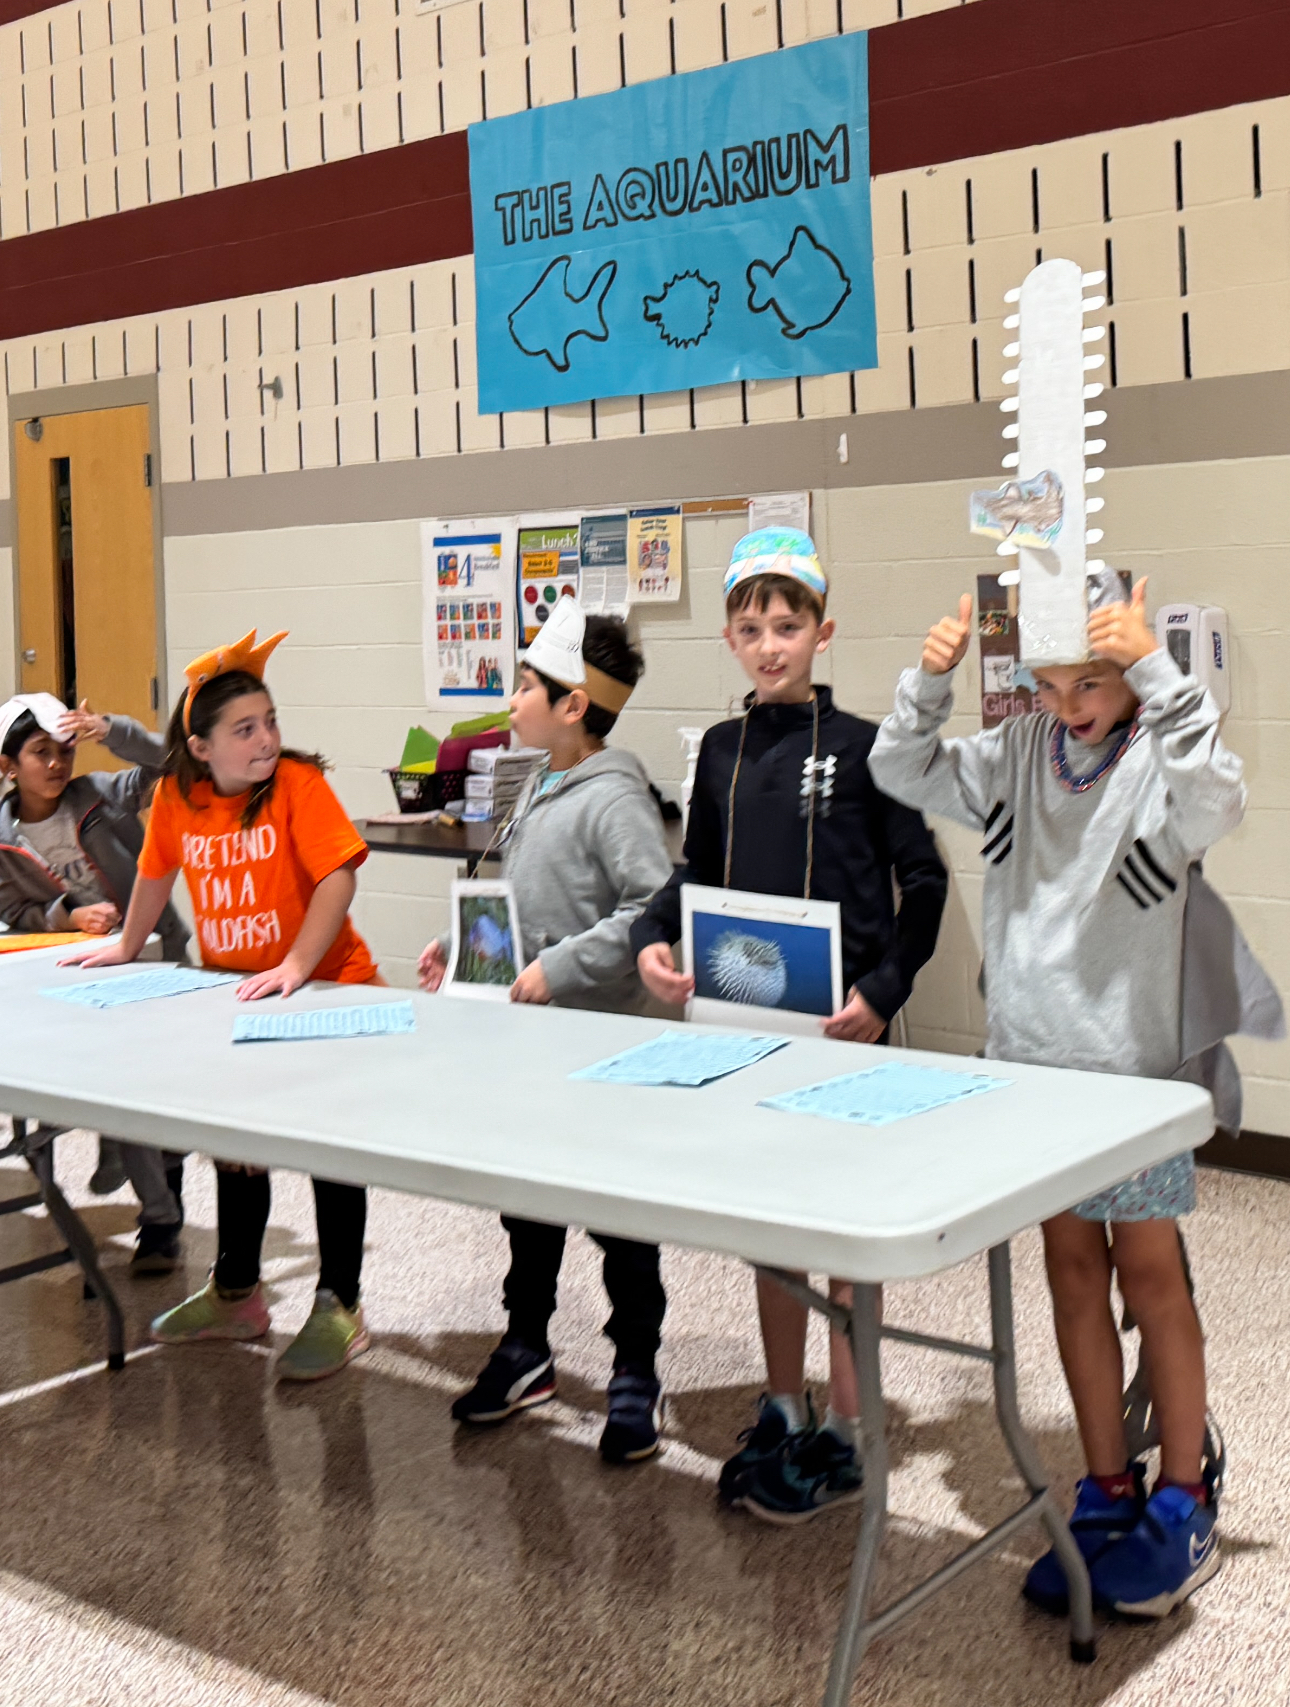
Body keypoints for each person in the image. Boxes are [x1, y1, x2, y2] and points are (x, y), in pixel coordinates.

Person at [869, 573, 1280, 1617]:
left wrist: (1154, 667)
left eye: (1092, 680)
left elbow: (1222, 796)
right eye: (1051, 682)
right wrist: (929, 677)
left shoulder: (1159, 761)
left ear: (1127, 672)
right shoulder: (1015, 754)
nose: (1070, 703)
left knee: (1151, 1280)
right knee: (1068, 1274)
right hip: (1030, 1079)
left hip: (1128, 1090)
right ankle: (1103, 1486)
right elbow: (898, 767)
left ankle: (1183, 1499)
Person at [631, 528, 948, 1520]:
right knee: (774, 1229)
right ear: (729, 638)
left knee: (847, 1235)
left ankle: (849, 1427)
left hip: (847, 1027)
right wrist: (655, 937)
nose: (771, 645)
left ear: (823, 631)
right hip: (751, 1027)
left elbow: (926, 879)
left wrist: (886, 990)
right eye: (752, 628)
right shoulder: (721, 751)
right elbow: (697, 873)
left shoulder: (867, 748)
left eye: (789, 625)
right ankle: (780, 1399)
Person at [65, 631, 379, 1382]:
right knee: (238, 1144)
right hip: (241, 994)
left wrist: (297, 963)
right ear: (201, 748)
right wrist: (126, 944)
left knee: (328, 1148)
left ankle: (341, 1302)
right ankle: (238, 1289)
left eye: (270, 720)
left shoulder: (299, 784)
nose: (268, 738)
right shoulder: (177, 793)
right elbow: (153, 872)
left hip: (327, 987)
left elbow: (337, 879)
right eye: (246, 728)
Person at [419, 599, 675, 1462]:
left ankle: (635, 1369)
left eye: (528, 683)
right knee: (527, 1207)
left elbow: (649, 909)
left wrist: (557, 968)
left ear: (573, 705)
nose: (513, 695)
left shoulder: (616, 798)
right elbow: (516, 904)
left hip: (600, 1050)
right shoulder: (537, 783)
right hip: (529, 1050)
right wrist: (464, 948)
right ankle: (527, 1346)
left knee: (619, 1220)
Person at [0, 692, 190, 1272]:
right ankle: (125, 1158)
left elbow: (173, 767)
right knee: (117, 1089)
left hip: (151, 959)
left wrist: (111, 729)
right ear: (8, 766)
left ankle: (161, 1217)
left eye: (64, 750)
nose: (58, 764)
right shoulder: (4, 835)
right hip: (76, 976)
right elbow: (11, 910)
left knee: (148, 1089)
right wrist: (65, 915)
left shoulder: (100, 795)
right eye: (40, 753)